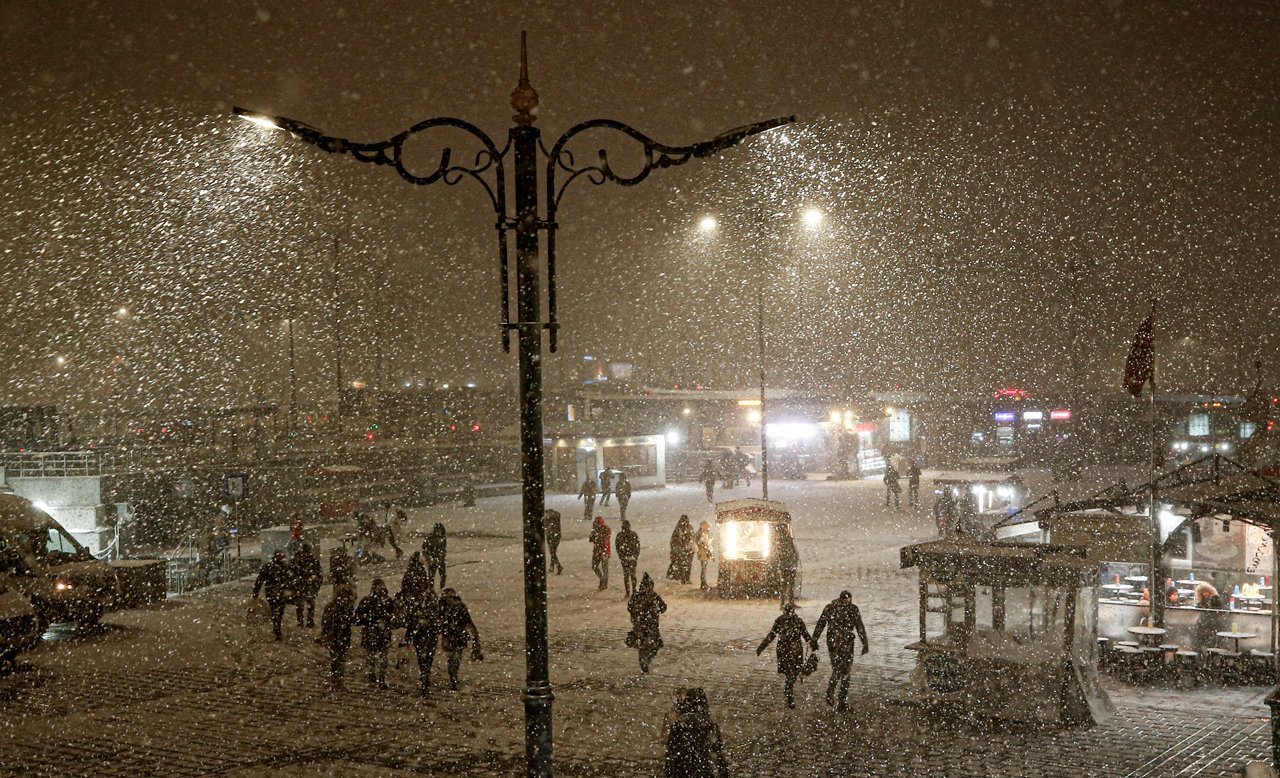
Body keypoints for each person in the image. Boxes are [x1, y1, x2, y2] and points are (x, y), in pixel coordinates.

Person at [811, 591, 869, 711]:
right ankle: (837, 697)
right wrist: (865, 643)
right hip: (845, 642)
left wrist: (814, 639)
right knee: (845, 671)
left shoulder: (830, 608)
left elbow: (820, 624)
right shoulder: (852, 609)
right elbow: (859, 626)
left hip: (833, 642)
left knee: (838, 668)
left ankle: (835, 695)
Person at [664, 687, 728, 778]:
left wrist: (670, 773)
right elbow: (717, 755)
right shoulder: (710, 725)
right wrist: (724, 773)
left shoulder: (678, 724)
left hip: (682, 771)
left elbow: (670, 754)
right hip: (702, 770)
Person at [757, 604, 812, 709]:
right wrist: (812, 643)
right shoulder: (795, 621)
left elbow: (772, 635)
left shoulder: (783, 620)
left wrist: (762, 646)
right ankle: (789, 695)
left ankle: (789, 693)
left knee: (790, 674)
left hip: (786, 651)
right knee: (791, 674)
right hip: (792, 651)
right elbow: (806, 635)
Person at [399, 564, 440, 698]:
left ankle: (425, 678)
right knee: (425, 657)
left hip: (425, 631)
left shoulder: (423, 598)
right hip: (424, 631)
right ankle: (425, 680)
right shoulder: (424, 598)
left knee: (425, 657)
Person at [354, 578, 396, 689]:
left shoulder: (368, 600)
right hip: (378, 631)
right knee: (379, 655)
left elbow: (358, 618)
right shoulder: (386, 601)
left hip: (374, 631)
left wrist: (369, 620)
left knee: (374, 655)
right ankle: (378, 676)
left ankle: (374, 675)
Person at [439, 588, 482, 690]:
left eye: (449, 598)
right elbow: (438, 622)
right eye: (445, 598)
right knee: (453, 659)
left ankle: (453, 676)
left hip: (458, 637)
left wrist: (475, 635)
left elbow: (468, 622)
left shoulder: (460, 608)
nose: (447, 600)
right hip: (449, 637)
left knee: (455, 659)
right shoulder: (443, 608)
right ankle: (453, 677)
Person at [319, 581, 357, 690]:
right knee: (339, 659)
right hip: (339, 635)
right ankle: (338, 681)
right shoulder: (345, 607)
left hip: (338, 636)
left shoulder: (334, 606)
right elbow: (353, 620)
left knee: (337, 659)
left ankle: (337, 680)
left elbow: (325, 621)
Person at [628, 572, 667, 673]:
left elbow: (630, 607)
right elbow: (663, 608)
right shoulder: (653, 596)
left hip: (639, 626)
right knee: (654, 647)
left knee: (643, 646)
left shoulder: (636, 596)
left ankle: (643, 661)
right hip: (651, 625)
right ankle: (646, 661)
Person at [253, 550, 292, 641]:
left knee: (280, 611)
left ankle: (276, 626)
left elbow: (290, 579)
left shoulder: (285, 567)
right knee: (275, 611)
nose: (281, 558)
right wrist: (256, 592)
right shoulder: (269, 567)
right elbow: (260, 580)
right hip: (272, 593)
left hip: (281, 593)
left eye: (282, 556)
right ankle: (277, 628)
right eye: (279, 556)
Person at [290, 541, 322, 628]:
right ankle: (301, 622)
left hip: (308, 586)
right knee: (301, 605)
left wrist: (315, 583)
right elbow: (292, 573)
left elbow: (319, 574)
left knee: (309, 605)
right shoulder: (297, 560)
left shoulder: (312, 561)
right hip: (301, 585)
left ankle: (308, 621)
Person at [615, 519, 641, 597]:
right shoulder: (633, 534)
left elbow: (618, 547)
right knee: (632, 575)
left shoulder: (620, 535)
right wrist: (635, 556)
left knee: (627, 575)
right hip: (631, 557)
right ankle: (633, 590)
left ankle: (629, 592)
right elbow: (637, 547)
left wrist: (622, 557)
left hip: (626, 558)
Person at [775, 529, 800, 609]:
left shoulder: (786, 542)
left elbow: (793, 552)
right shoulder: (783, 543)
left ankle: (789, 602)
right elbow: (781, 555)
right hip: (786, 566)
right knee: (786, 585)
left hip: (790, 565)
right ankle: (784, 603)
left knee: (789, 584)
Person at [668, 515, 694, 585]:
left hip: (688, 550)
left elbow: (692, 537)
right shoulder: (678, 529)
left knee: (687, 565)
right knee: (683, 565)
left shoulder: (689, 527)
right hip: (682, 550)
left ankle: (686, 578)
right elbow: (674, 541)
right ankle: (683, 579)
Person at [589, 516, 612, 591]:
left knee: (603, 569)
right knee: (596, 567)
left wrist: (596, 535)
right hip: (598, 551)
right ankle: (602, 580)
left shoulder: (606, 529)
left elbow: (605, 540)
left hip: (603, 551)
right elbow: (591, 539)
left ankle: (603, 583)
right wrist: (594, 534)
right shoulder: (596, 529)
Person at [423, 523, 447, 589]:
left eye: (439, 530)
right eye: (437, 530)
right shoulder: (430, 537)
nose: (438, 531)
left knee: (442, 575)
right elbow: (424, 549)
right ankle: (431, 589)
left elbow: (444, 548)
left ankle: (441, 588)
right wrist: (429, 558)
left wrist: (442, 555)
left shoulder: (443, 537)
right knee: (432, 576)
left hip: (439, 559)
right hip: (433, 559)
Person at [694, 520, 714, 590]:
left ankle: (703, 584)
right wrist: (711, 539)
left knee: (704, 568)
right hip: (703, 553)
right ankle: (703, 584)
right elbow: (703, 543)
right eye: (708, 527)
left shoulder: (701, 533)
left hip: (703, 553)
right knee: (704, 569)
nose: (708, 529)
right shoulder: (702, 533)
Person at [543, 509, 564, 575]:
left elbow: (546, 527)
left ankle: (558, 566)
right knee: (553, 552)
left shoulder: (549, 519)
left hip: (552, 536)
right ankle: (552, 566)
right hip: (555, 536)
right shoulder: (555, 517)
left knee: (552, 552)